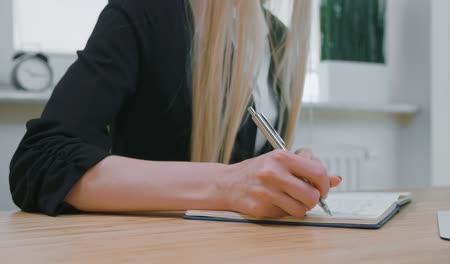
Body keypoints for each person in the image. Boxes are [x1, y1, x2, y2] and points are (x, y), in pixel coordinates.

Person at [9, 0, 341, 217]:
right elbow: (37, 161)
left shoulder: (278, 38)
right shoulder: (146, 10)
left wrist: (285, 173)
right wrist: (224, 184)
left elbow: (248, 165)